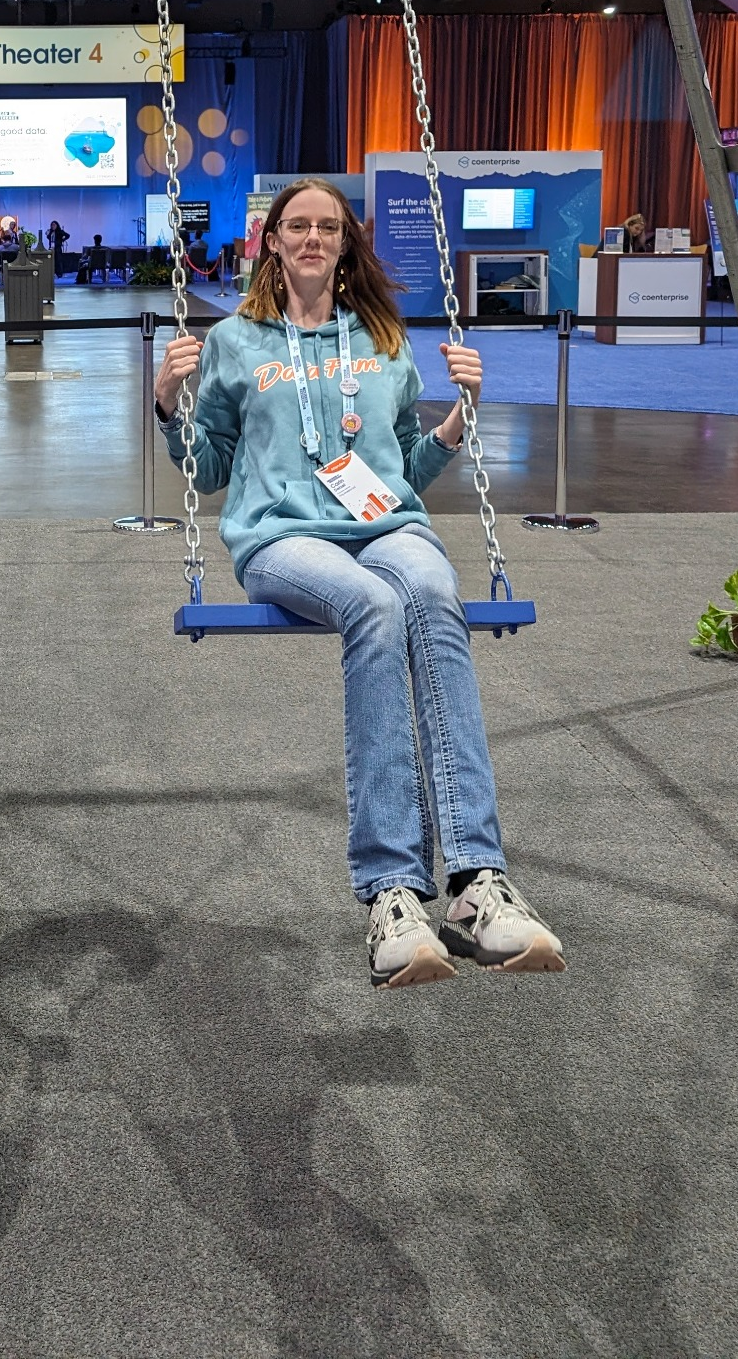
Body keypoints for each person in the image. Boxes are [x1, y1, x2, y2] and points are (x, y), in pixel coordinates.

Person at [154, 177, 563, 991]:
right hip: (281, 538)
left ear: (345, 245)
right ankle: (392, 892)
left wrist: (456, 422)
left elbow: (402, 467)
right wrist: (169, 403)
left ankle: (478, 882)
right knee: (373, 607)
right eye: (296, 226)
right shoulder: (236, 339)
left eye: (327, 228)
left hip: (387, 526)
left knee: (433, 596)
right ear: (272, 241)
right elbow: (209, 472)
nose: (311, 238)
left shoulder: (382, 336)